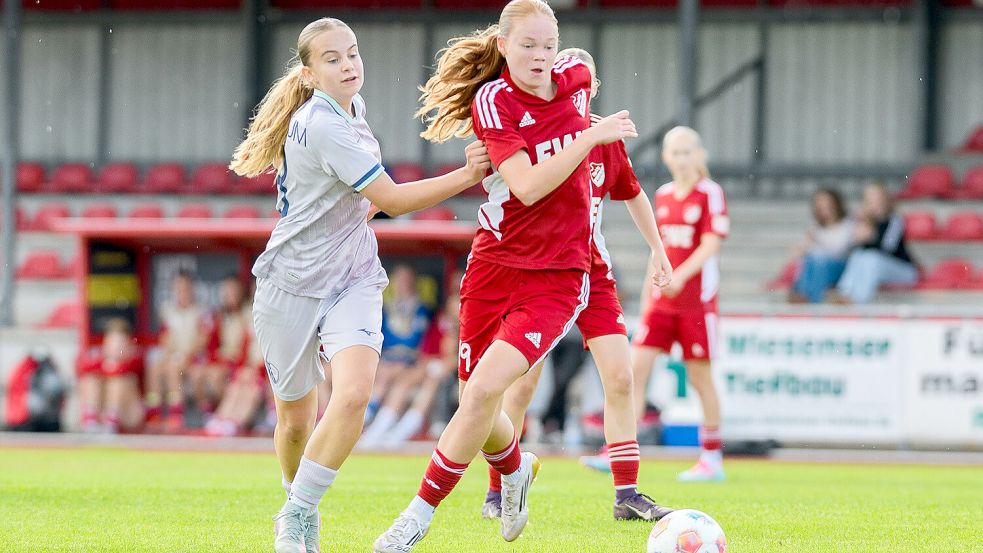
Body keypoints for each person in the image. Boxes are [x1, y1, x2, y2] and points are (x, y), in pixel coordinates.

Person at [373, 2, 641, 551]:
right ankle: (515, 469)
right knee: (477, 397)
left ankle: (417, 517)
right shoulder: (493, 101)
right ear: (502, 47)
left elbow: (617, 175)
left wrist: (591, 134)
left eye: (549, 44)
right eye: (527, 45)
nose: (540, 56)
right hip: (494, 264)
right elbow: (526, 187)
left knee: (483, 394)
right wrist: (590, 138)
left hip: (558, 276)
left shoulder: (578, 81)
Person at [228, 17, 489, 553]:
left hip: (354, 276)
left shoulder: (352, 110)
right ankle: (295, 500)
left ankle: (297, 515)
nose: (349, 65)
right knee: (295, 422)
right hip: (290, 283)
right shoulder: (321, 124)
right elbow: (390, 201)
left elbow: (365, 205)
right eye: (333, 58)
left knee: (350, 397)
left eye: (353, 53)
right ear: (309, 73)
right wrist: (466, 176)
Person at [479, 47, 675, 522]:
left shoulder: (603, 136)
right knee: (521, 389)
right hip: (544, 272)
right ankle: (500, 488)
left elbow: (632, 192)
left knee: (622, 377)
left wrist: (659, 249)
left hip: (592, 270)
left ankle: (626, 493)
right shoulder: (539, 130)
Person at [630, 126, 729, 482]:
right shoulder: (662, 195)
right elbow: (657, 250)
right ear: (666, 157)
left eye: (689, 151)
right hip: (661, 301)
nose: (683, 158)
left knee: (701, 377)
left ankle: (712, 458)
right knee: (634, 370)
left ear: (699, 155)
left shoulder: (710, 193)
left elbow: (710, 244)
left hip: (696, 303)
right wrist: (648, 295)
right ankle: (621, 449)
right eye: (677, 152)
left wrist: (680, 276)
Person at [364, 264, 431, 426]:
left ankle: (374, 422)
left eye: (406, 279)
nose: (402, 284)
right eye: (399, 279)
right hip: (385, 358)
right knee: (377, 373)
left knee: (396, 379)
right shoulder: (385, 307)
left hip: (410, 361)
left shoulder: (422, 309)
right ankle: (365, 415)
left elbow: (418, 341)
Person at [144, 270, 211, 433]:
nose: (182, 293)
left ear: (192, 289)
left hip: (196, 359)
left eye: (185, 288)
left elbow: (203, 340)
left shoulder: (202, 311)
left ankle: (176, 415)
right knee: (155, 366)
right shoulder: (168, 310)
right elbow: (165, 337)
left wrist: (184, 357)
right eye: (178, 289)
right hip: (175, 357)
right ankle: (154, 414)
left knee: (174, 367)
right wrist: (167, 356)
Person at [829, 182, 918, 304]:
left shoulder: (895, 220)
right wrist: (860, 234)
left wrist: (870, 236)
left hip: (904, 270)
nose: (874, 203)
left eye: (877, 198)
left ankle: (859, 301)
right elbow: (855, 249)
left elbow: (888, 247)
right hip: (879, 267)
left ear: (886, 199)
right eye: (870, 199)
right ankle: (844, 292)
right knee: (858, 255)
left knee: (871, 258)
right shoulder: (863, 222)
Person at [189, 276, 251, 417]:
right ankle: (208, 413)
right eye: (226, 291)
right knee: (196, 373)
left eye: (232, 290)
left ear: (240, 292)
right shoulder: (219, 315)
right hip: (221, 359)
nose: (229, 295)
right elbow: (212, 344)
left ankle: (224, 416)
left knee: (215, 376)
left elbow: (248, 345)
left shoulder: (248, 314)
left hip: (239, 361)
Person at [77, 318, 145, 434]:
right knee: (91, 380)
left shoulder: (135, 358)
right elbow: (82, 368)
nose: (116, 347)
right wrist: (105, 364)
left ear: (127, 344)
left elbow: (125, 370)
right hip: (103, 409)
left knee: (118, 382)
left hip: (129, 414)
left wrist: (111, 366)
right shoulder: (98, 358)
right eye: (112, 342)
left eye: (120, 343)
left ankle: (111, 423)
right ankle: (91, 422)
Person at [788, 188, 854, 303]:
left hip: (839, 267)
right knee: (810, 261)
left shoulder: (847, 224)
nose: (825, 208)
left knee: (819, 261)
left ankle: (811, 300)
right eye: (820, 205)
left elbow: (839, 250)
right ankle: (802, 294)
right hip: (817, 268)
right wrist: (804, 246)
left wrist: (817, 240)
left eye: (828, 204)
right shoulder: (816, 227)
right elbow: (798, 254)